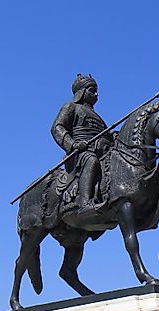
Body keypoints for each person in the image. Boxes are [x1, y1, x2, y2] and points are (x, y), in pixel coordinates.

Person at [51, 74, 112, 215]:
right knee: (91, 160)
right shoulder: (71, 107)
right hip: (79, 153)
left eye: (96, 91)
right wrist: (72, 145)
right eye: (92, 90)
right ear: (82, 92)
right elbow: (57, 127)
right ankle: (85, 203)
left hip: (100, 151)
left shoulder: (98, 118)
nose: (96, 94)